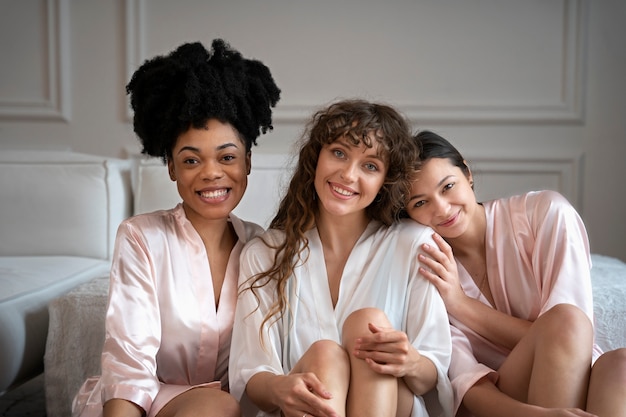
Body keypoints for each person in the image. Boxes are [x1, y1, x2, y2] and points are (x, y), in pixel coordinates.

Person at [71, 39, 281, 417]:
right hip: (146, 404)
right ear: (171, 167)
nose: (211, 173)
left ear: (247, 162)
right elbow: (128, 361)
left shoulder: (264, 246)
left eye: (227, 156)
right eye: (190, 160)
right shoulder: (141, 238)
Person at [229, 99, 454, 417]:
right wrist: (281, 388)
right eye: (339, 153)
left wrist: (411, 361)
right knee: (325, 356)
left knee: (368, 325)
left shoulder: (415, 245)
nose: (348, 175)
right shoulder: (265, 254)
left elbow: (432, 374)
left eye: (370, 166)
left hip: (393, 407)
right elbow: (251, 375)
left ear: (385, 181)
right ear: (316, 157)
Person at [405, 130, 626, 417]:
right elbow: (470, 389)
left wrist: (461, 304)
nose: (442, 208)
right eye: (420, 203)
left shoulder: (545, 213)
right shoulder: (428, 269)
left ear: (467, 173)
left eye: (448, 186)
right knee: (564, 320)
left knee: (619, 364)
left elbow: (575, 337)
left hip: (576, 374)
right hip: (505, 404)